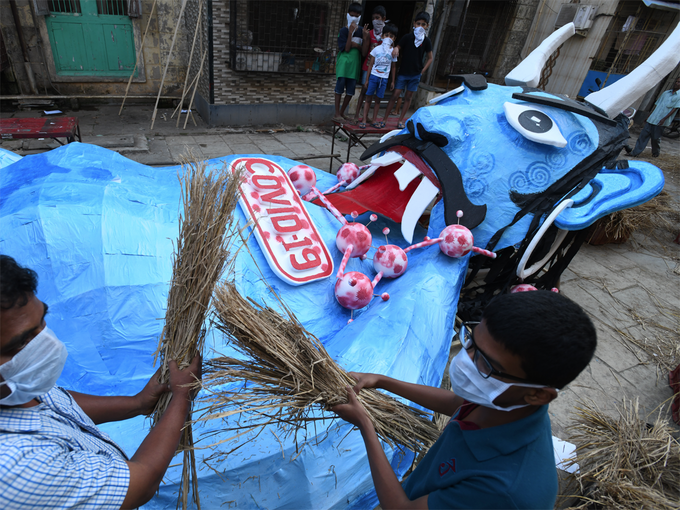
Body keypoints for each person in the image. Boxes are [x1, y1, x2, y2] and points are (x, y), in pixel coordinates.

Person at [332, 290, 597, 509]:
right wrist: (381, 380)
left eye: (485, 362)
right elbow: (459, 404)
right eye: (471, 342)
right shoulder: (505, 403)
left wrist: (366, 425)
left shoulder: (503, 490)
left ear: (539, 394)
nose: (465, 362)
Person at [0, 255, 202, 509]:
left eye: (43, 321)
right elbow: (142, 482)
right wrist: (181, 398)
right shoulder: (15, 468)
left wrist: (137, 403)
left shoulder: (13, 385)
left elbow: (57, 403)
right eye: (22, 342)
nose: (47, 344)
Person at [380, 12, 434, 129]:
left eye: (423, 24)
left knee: (408, 97)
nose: (420, 26)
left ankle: (400, 121)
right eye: (418, 23)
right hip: (403, 72)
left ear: (427, 26)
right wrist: (396, 49)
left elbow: (430, 58)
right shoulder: (407, 37)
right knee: (395, 95)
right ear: (414, 23)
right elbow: (398, 46)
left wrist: (422, 71)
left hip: (415, 74)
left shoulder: (426, 41)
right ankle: (384, 119)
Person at [625, 77, 680, 157]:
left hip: (661, 121)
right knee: (643, 136)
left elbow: (674, 109)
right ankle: (635, 153)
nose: (676, 83)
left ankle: (655, 153)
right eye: (676, 81)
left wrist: (664, 119)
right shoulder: (666, 93)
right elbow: (656, 105)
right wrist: (649, 115)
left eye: (679, 82)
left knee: (655, 138)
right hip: (652, 119)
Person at [353, 5, 389, 124]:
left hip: (381, 70)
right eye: (373, 18)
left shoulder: (388, 36)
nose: (375, 20)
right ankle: (357, 115)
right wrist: (365, 37)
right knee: (364, 91)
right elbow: (364, 52)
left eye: (378, 18)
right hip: (368, 66)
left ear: (384, 19)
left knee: (375, 94)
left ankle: (368, 116)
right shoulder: (370, 33)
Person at [359, 24, 398, 129]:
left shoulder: (393, 52)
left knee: (378, 100)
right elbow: (370, 64)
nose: (388, 38)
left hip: (384, 79)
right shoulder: (376, 49)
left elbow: (393, 67)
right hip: (373, 76)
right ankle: (364, 119)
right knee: (368, 98)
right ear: (382, 36)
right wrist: (367, 79)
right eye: (386, 35)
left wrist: (393, 81)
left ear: (394, 38)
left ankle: (374, 120)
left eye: (391, 36)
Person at [334, 3, 365, 122]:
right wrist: (350, 34)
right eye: (352, 15)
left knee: (350, 91)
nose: (354, 18)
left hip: (354, 65)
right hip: (343, 64)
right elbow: (346, 48)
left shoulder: (362, 31)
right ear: (348, 15)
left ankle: (341, 113)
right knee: (339, 88)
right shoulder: (343, 31)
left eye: (356, 16)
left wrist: (357, 44)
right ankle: (337, 113)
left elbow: (364, 51)